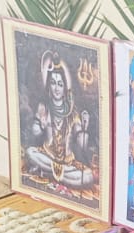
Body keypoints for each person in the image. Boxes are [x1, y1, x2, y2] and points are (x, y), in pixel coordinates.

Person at [24, 52, 93, 189]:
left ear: (65, 87)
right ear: (49, 85)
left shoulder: (73, 111)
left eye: (60, 84)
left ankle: (47, 173)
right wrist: (41, 124)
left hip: (68, 162)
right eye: (53, 83)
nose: (56, 88)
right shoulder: (44, 107)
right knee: (30, 152)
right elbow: (35, 132)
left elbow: (82, 145)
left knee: (88, 176)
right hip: (47, 155)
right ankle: (60, 176)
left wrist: (85, 127)